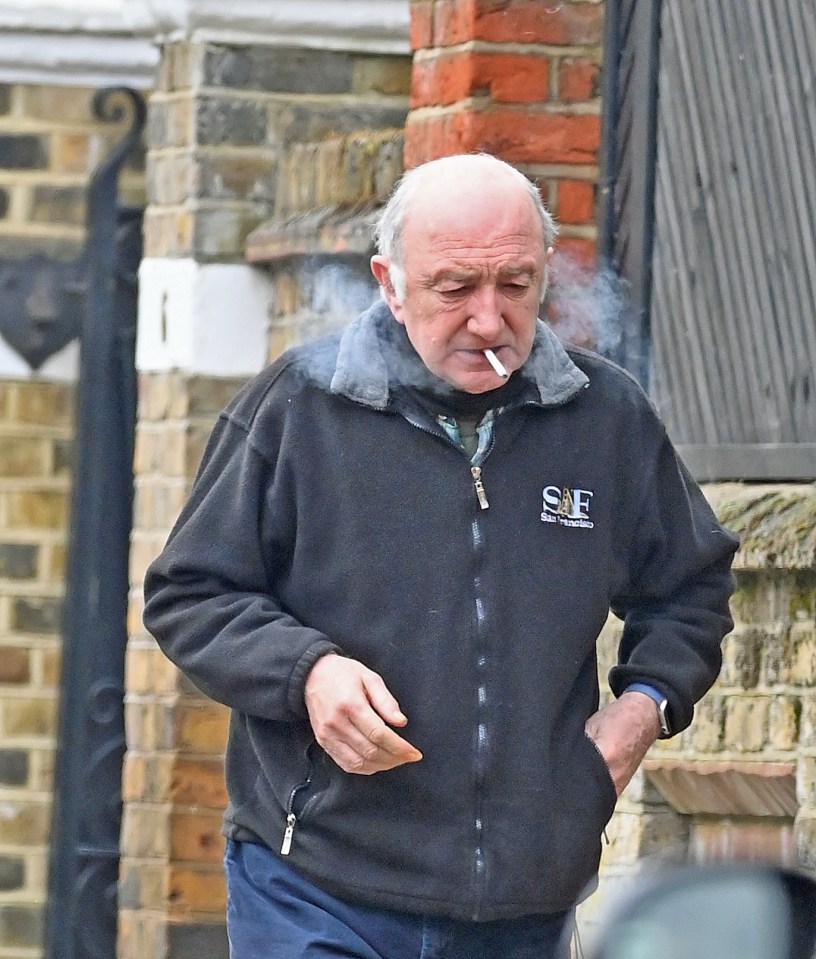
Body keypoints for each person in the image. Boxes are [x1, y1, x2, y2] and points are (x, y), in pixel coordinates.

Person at [142, 153, 739, 959]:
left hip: (527, 898)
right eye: (455, 288)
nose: (490, 321)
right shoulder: (298, 409)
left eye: (517, 285)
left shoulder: (608, 420)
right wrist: (307, 672)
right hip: (317, 884)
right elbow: (191, 591)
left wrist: (640, 713)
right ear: (390, 282)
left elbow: (691, 590)